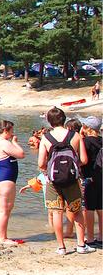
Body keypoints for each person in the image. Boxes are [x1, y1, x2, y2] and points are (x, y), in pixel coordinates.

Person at [37, 107, 94, 255]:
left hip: (53, 181)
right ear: (64, 119)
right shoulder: (75, 136)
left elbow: (41, 163)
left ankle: (61, 247)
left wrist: (50, 169)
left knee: (57, 213)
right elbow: (84, 160)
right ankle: (81, 245)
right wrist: (72, 166)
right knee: (77, 212)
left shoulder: (46, 138)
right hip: (72, 179)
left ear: (49, 121)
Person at [0, 120, 25, 245]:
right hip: (4, 178)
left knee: (4, 208)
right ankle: (3, 238)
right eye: (11, 131)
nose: (12, 133)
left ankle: (0, 233)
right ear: (5, 131)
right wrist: (15, 143)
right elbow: (21, 154)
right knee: (5, 209)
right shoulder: (4, 143)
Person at [79, 116, 102, 247]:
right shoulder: (102, 140)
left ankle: (91, 238)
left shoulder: (85, 142)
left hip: (89, 177)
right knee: (101, 207)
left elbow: (83, 160)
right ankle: (101, 236)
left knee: (89, 208)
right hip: (101, 176)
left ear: (87, 128)